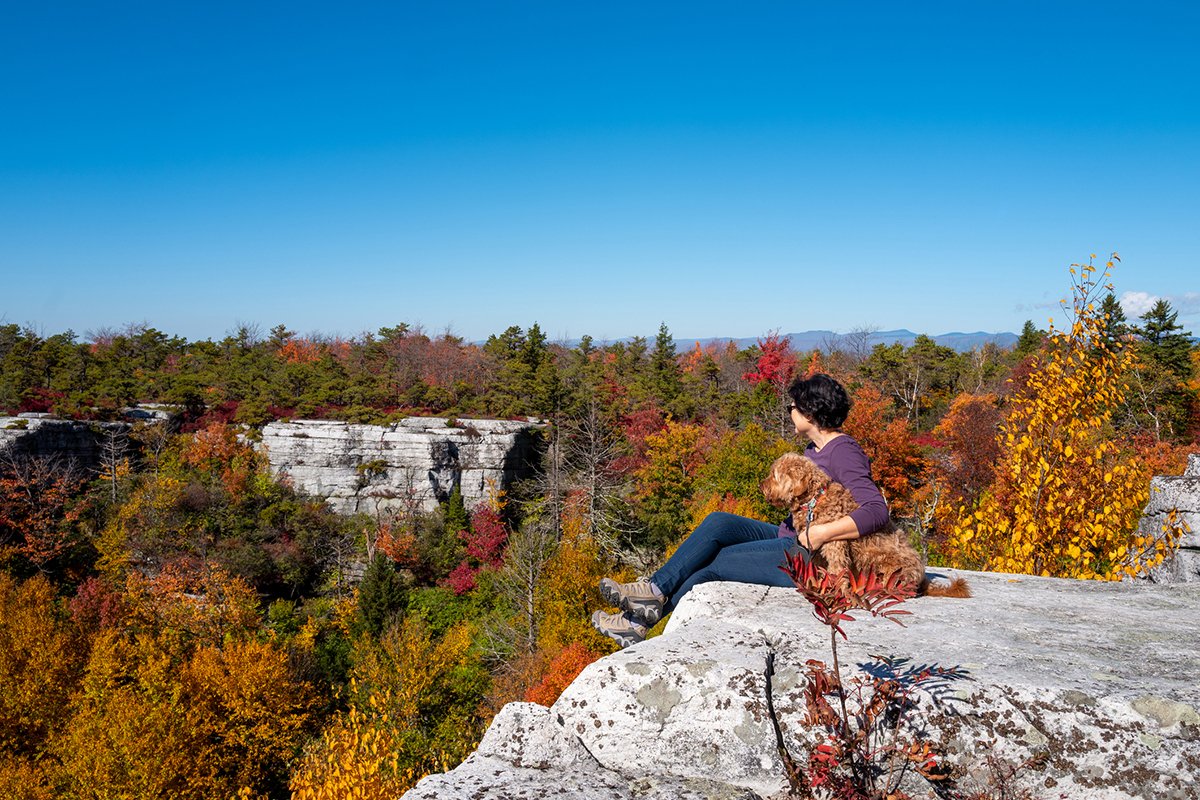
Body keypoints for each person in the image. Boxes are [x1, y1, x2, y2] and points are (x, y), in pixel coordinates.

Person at [591, 373, 890, 648]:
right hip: (791, 536)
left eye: (793, 406)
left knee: (715, 563)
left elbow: (877, 511)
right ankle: (653, 590)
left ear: (810, 412)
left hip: (812, 557)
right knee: (719, 523)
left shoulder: (844, 451)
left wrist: (823, 532)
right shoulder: (814, 450)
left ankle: (635, 622)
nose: (790, 411)